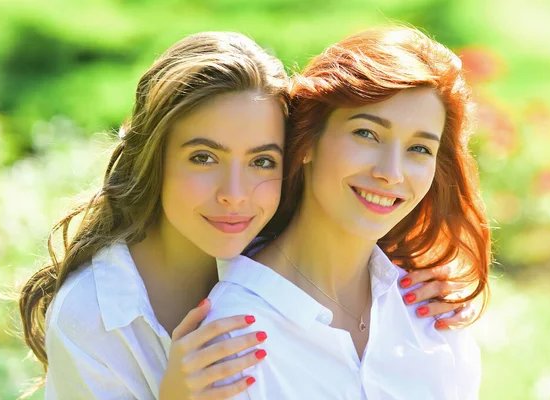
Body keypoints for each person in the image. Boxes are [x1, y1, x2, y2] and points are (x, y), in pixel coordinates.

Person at [18, 31, 480, 400]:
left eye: (262, 161)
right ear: (154, 156)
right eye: (203, 158)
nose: (235, 196)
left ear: (290, 155)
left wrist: (422, 279)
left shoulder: (405, 303)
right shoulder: (96, 315)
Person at [200, 26, 490, 400]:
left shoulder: (433, 316)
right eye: (367, 134)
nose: (391, 172)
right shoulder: (234, 333)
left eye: (419, 149)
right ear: (307, 142)